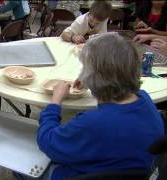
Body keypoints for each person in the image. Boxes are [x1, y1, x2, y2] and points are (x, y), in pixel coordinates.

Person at [15, 33, 165, 180]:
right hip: (134, 171)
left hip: (82, 174)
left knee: (19, 163)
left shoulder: (92, 122)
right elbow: (114, 74)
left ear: (93, 76)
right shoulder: (144, 98)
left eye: (85, 68)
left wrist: (55, 101)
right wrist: (88, 78)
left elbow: (48, 142)